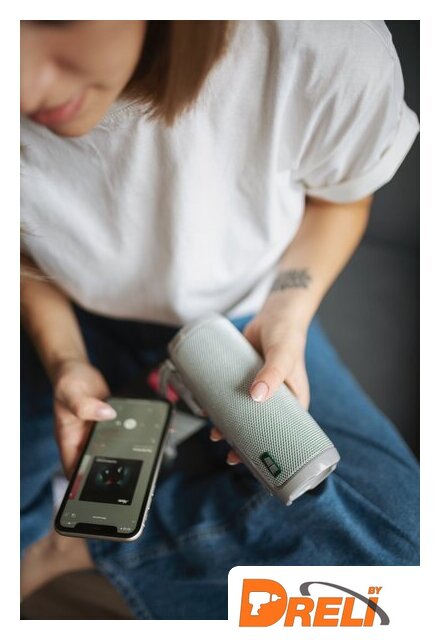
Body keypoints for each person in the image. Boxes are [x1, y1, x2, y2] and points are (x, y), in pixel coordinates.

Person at [20, 20, 420, 619]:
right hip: (64, 311)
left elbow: (342, 199)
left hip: (241, 328)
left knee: (401, 565)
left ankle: (75, 546)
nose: (25, 89)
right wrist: (65, 358)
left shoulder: (320, 40)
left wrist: (288, 312)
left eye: (53, 18)